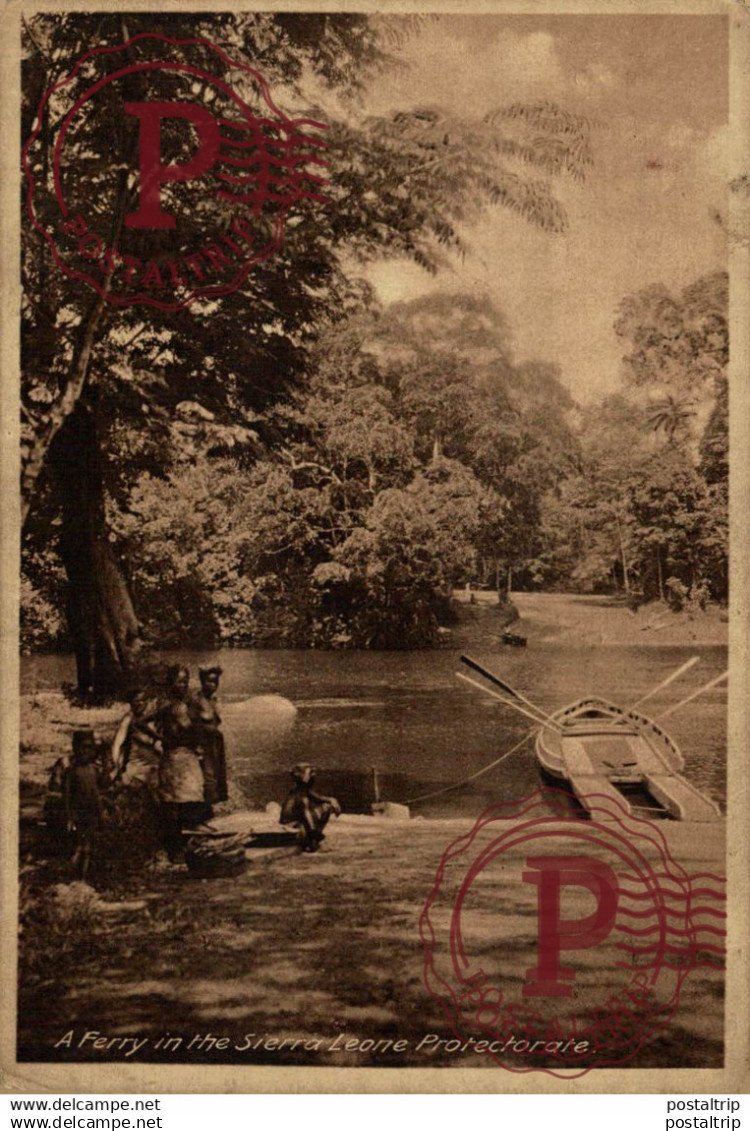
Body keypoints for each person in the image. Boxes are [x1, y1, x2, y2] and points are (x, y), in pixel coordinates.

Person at [157, 666, 210, 860]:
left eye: (186, 682)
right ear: (171, 683)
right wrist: (159, 738)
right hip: (174, 758)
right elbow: (142, 722)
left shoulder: (183, 704)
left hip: (187, 756)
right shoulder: (170, 705)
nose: (183, 686)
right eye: (179, 681)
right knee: (174, 805)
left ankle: (188, 847)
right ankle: (174, 850)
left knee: (192, 800)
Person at [63, 730, 103, 880]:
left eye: (90, 748)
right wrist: (69, 816)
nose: (86, 751)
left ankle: (82, 878)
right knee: (79, 846)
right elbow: (66, 796)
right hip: (78, 814)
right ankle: (73, 875)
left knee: (87, 848)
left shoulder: (94, 769)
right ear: (75, 749)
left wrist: (100, 813)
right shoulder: (71, 771)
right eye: (83, 747)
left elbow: (98, 791)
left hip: (92, 813)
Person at [280, 763, 341, 853]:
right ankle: (312, 840)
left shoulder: (302, 789)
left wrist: (332, 800)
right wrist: (314, 837)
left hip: (296, 826)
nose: (313, 776)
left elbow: (318, 797)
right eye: (310, 773)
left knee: (326, 807)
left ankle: (312, 838)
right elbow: (306, 815)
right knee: (324, 809)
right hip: (294, 829)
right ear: (302, 776)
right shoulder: (299, 794)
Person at [190, 666, 228, 806]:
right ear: (202, 681)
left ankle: (209, 811)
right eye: (210, 681)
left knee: (217, 778)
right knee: (208, 778)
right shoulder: (196, 701)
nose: (213, 685)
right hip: (203, 744)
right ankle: (202, 813)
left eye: (216, 682)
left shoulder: (213, 701)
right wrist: (197, 746)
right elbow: (191, 725)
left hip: (215, 744)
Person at [111, 688, 162, 791]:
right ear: (131, 703)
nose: (140, 703)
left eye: (143, 700)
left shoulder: (153, 719)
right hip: (136, 770)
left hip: (155, 770)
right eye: (136, 701)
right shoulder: (129, 719)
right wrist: (117, 766)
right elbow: (117, 744)